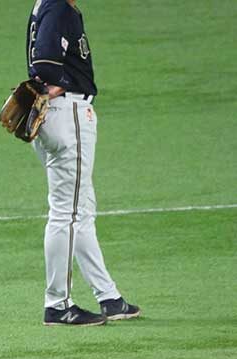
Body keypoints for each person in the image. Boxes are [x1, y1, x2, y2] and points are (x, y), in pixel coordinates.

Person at [27, 0, 141, 326]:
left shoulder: (48, 6)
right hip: (68, 114)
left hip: (57, 115)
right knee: (68, 213)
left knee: (81, 209)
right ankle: (58, 304)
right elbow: (44, 63)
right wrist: (60, 83)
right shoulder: (58, 8)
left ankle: (109, 297)